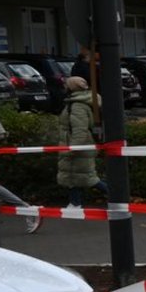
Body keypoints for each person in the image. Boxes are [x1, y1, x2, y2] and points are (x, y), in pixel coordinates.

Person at [57, 75, 102, 208]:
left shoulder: (77, 106)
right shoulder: (77, 103)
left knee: (88, 178)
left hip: (77, 147)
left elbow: (80, 129)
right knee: (74, 176)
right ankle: (74, 202)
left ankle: (118, 197)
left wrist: (73, 148)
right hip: (76, 145)